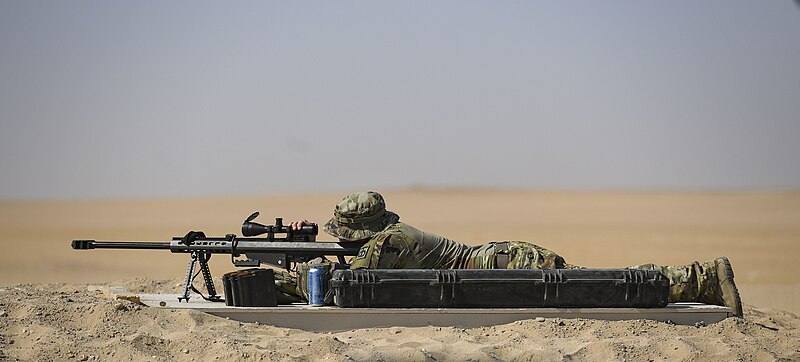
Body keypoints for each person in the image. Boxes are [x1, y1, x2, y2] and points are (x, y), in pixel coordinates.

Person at [289, 191, 743, 317]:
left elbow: (334, 287)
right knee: (600, 283)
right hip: (503, 259)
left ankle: (697, 276)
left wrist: (296, 270)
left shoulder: (392, 243)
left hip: (507, 264)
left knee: (603, 286)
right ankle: (695, 275)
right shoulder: (389, 236)